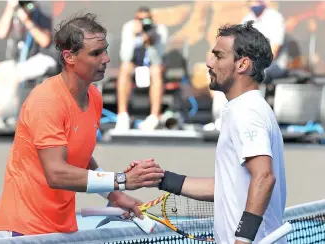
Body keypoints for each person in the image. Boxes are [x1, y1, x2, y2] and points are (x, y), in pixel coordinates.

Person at [0, 13, 164, 239]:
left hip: (61, 230)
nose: (106, 59)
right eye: (96, 53)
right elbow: (57, 174)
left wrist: (114, 194)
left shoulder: (94, 97)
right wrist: (122, 180)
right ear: (69, 57)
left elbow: (78, 157)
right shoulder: (46, 101)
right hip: (21, 231)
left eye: (106, 50)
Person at [127, 21, 287, 244]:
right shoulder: (243, 108)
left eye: (218, 56)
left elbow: (264, 177)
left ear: (242, 64)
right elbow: (225, 187)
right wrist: (160, 178)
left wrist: (242, 239)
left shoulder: (247, 111)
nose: (209, 63)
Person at [0, 0, 57, 129]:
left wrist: (27, 21)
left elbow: (45, 41)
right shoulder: (14, 14)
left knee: (13, 74)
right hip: (19, 63)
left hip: (43, 58)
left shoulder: (41, 13)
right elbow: (1, 33)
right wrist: (10, 8)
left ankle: (13, 116)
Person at [115, 6, 168, 131]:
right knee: (124, 68)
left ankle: (154, 116)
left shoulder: (160, 30)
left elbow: (158, 59)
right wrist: (134, 37)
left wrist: (150, 42)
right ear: (135, 19)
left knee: (156, 70)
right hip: (135, 65)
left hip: (152, 66)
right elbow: (125, 56)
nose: (143, 22)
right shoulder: (129, 27)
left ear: (152, 19)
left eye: (147, 19)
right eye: (140, 19)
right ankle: (122, 115)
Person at [241, 0, 288, 83]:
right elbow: (241, 46)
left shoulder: (275, 17)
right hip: (252, 63)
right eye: (251, 1)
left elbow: (274, 51)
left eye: (257, 1)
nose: (254, 3)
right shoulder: (247, 19)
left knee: (256, 74)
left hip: (274, 64)